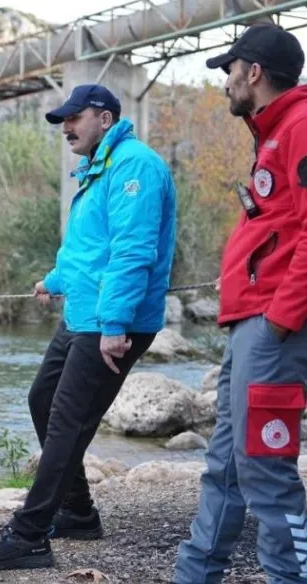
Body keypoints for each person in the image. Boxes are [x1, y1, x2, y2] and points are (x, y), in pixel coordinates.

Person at [0, 84, 177, 571]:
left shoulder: (134, 166)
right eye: (63, 119)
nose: (66, 127)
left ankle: (30, 535)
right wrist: (55, 280)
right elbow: (89, 247)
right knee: (42, 400)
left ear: (105, 118)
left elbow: (132, 250)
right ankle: (77, 512)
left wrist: (115, 323)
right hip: (84, 314)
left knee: (67, 419)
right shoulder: (99, 167)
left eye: (75, 117)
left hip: (111, 321)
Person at [174, 25, 307, 584]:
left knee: (265, 470)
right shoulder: (274, 130)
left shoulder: (300, 125)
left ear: (253, 72)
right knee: (226, 463)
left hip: (273, 325)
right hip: (253, 321)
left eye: (230, 71)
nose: (225, 83)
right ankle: (195, 574)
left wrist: (279, 319)